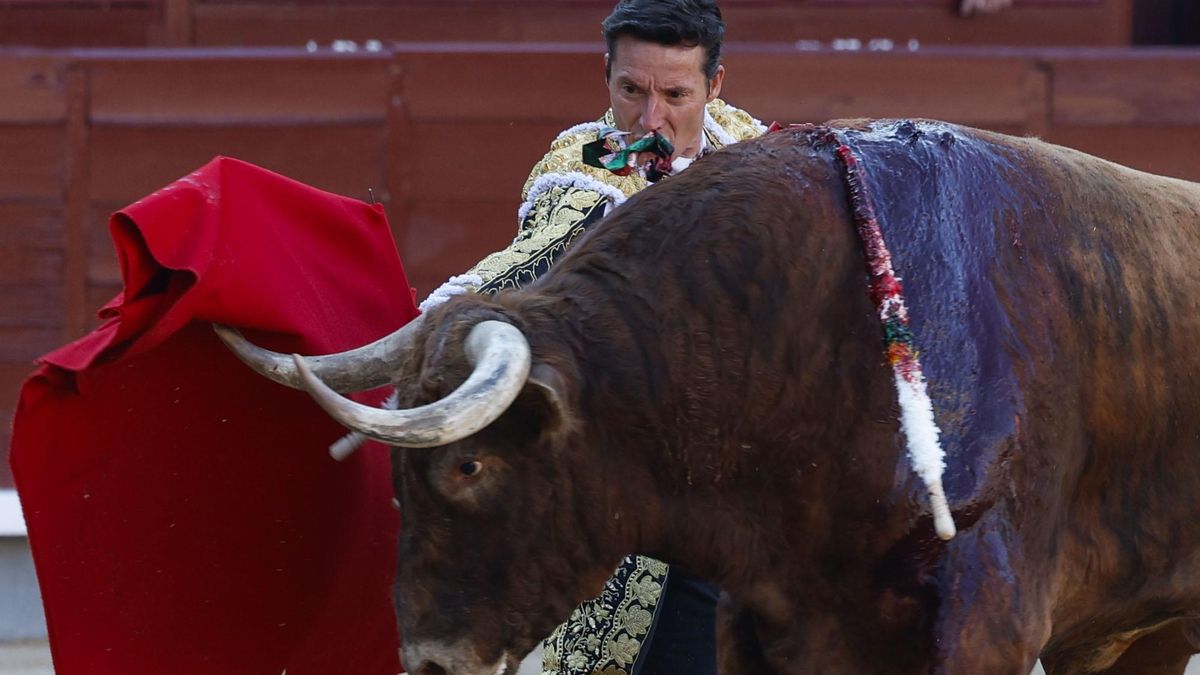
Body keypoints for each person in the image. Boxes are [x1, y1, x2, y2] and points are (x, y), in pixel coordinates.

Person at [417, 1, 765, 673]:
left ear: (715, 88)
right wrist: (440, 320)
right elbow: (528, 262)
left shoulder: (744, 144)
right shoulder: (591, 159)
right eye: (630, 90)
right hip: (641, 501)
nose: (650, 119)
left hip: (752, 494)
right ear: (606, 76)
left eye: (675, 94)